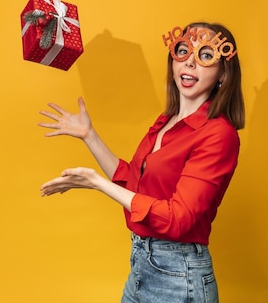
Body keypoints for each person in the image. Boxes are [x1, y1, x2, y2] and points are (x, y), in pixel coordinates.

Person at [37, 22, 244, 302]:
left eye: (206, 56)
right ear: (173, 62)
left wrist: (96, 183)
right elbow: (133, 183)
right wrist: (89, 136)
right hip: (141, 266)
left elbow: (177, 219)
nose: (191, 63)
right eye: (183, 51)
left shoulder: (219, 134)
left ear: (222, 74)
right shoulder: (165, 122)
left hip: (180, 277)